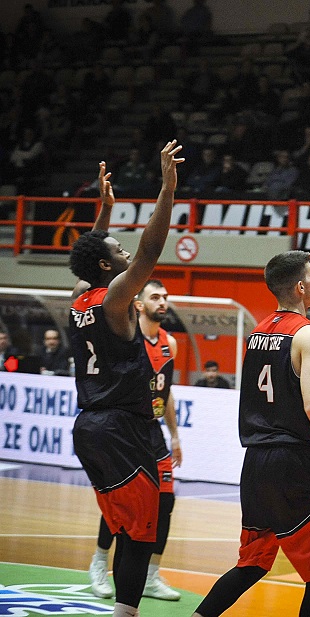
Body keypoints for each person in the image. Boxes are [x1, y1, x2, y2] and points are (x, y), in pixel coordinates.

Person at [192, 250, 310, 617]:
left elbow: (277, 401)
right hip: (294, 467)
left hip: (256, 464)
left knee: (252, 563)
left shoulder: (257, 333)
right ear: (301, 288)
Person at [69, 142, 183, 617]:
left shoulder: (80, 298)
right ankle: (125, 612)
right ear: (106, 268)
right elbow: (150, 251)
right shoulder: (115, 300)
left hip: (91, 426)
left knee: (131, 526)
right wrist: (167, 189)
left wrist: (105, 212)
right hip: (121, 427)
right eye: (116, 249)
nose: (124, 249)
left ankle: (120, 594)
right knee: (142, 533)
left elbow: (88, 258)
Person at [89, 280, 184, 602]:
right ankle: (99, 563)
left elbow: (166, 391)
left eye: (165, 297)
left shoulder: (170, 342)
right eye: (155, 297)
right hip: (124, 433)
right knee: (122, 505)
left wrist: (174, 435)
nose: (163, 302)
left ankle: (151, 576)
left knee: (165, 503)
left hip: (153, 432)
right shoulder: (128, 341)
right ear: (139, 305)